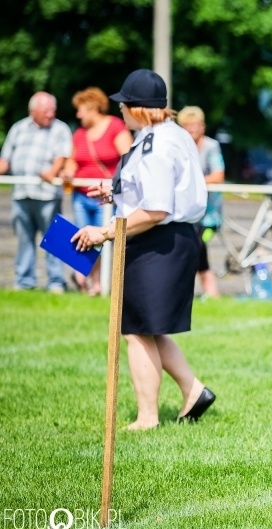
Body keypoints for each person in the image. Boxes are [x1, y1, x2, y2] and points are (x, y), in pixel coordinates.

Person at [72, 69, 215, 430]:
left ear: (139, 108)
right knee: (147, 326)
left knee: (135, 329)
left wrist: (104, 232)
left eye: (124, 105)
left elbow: (156, 209)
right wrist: (116, 191)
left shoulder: (156, 143)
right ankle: (193, 390)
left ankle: (148, 417)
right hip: (168, 238)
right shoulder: (166, 135)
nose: (119, 111)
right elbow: (154, 190)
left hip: (158, 239)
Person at [59, 87, 133, 295]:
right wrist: (67, 173)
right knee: (85, 238)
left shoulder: (115, 127)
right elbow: (73, 162)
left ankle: (102, 283)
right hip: (81, 195)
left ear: (93, 108)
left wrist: (116, 186)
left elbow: (128, 159)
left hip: (106, 197)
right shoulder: (80, 134)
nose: (78, 114)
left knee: (103, 238)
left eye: (81, 109)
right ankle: (94, 283)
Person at [0, 92, 73, 293]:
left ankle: (56, 282)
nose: (50, 114)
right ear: (33, 111)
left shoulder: (60, 129)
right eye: (45, 110)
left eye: (52, 110)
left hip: (47, 195)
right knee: (24, 240)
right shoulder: (19, 128)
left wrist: (51, 172)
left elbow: (63, 156)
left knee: (54, 240)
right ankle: (25, 281)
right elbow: (5, 159)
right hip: (21, 193)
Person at [176, 105, 225, 299]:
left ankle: (210, 287)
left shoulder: (211, 146)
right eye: (186, 125)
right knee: (192, 245)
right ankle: (208, 289)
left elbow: (218, 175)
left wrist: (193, 182)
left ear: (202, 126)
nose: (190, 129)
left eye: (194, 125)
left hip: (209, 213)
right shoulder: (179, 146)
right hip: (187, 210)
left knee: (198, 245)